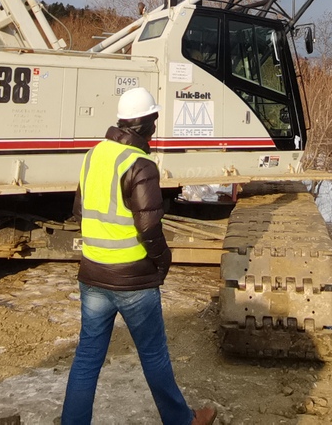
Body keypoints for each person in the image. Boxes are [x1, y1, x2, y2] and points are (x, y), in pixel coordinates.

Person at [61, 87, 216, 425]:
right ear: (146, 125)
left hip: (93, 276)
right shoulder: (140, 165)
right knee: (154, 357)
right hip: (133, 281)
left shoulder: (93, 155)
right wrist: (162, 262)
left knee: (87, 359)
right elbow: (149, 228)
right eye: (154, 123)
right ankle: (183, 421)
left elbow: (78, 211)